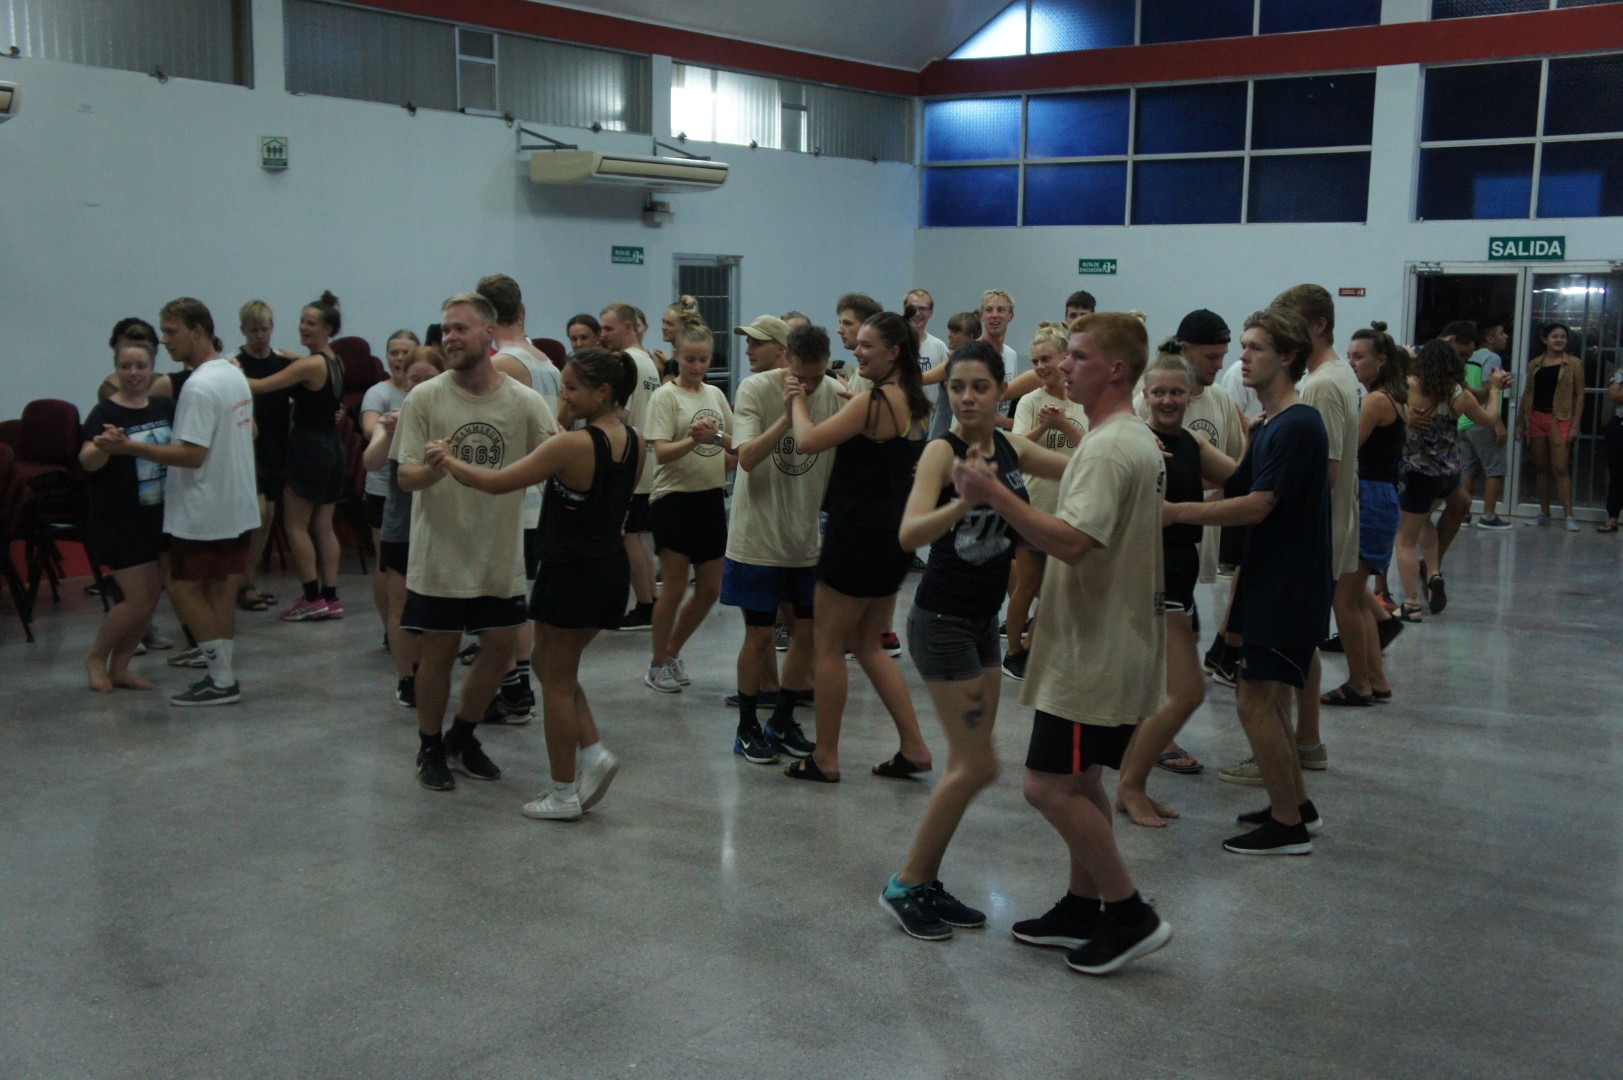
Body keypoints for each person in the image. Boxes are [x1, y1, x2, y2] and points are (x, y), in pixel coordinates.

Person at [953, 312, 1172, 975]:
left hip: (1092, 650)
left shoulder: (1108, 448)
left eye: (1078, 356)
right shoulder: (1122, 438)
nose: (1063, 366)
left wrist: (993, 494)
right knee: (1079, 780)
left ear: (1116, 369)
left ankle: (1129, 913)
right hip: (1106, 641)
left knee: (1045, 786)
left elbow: (1073, 543)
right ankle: (1082, 906)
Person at [880, 341, 1069, 940]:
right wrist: (966, 499)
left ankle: (925, 880)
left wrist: (1129, 448)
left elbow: (1078, 466)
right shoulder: (943, 451)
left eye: (979, 387)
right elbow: (910, 533)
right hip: (941, 624)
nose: (966, 398)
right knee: (976, 764)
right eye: (956, 387)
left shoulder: (1011, 447)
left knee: (974, 763)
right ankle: (905, 884)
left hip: (984, 623)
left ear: (1000, 391)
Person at [432, 348, 637, 820]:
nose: (562, 397)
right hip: (610, 571)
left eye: (572, 388)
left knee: (556, 683)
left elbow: (497, 482)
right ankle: (593, 752)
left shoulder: (571, 446)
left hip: (571, 575)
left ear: (602, 392)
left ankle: (563, 794)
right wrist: (565, 426)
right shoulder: (633, 438)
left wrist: (450, 460)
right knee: (550, 665)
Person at [1163, 307, 1331, 856]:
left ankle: (1287, 827)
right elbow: (1236, 481)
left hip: (1287, 584)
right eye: (1244, 346)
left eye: (1256, 347)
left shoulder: (1298, 424)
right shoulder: (1274, 424)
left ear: (1287, 356)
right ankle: (1296, 805)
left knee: (1254, 702)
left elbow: (1257, 504)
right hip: (1271, 580)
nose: (1243, 357)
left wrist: (1176, 512)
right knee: (1268, 699)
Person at [392, 292, 556, 792]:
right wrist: (434, 469)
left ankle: (461, 737)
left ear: (488, 333)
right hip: (440, 555)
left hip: (497, 553)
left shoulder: (522, 400)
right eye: (445, 329)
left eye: (460, 328)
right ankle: (428, 745)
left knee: (501, 649)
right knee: (438, 653)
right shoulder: (425, 397)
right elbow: (405, 477)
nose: (450, 338)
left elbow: (555, 455)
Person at [782, 311, 932, 782]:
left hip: (857, 535)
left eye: (867, 345)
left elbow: (808, 440)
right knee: (868, 644)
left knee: (828, 644)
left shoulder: (874, 401)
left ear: (894, 352)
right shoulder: (915, 401)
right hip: (893, 536)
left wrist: (796, 399)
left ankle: (825, 756)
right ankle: (915, 746)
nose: (857, 351)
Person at [96, 298, 258, 707]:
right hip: (234, 504)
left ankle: (221, 680)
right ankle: (222, 673)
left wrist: (131, 447)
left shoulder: (199, 386)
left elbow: (191, 454)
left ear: (198, 331)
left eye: (171, 332)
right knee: (218, 590)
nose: (164, 340)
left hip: (204, 508)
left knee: (183, 588)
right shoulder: (233, 374)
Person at [1115, 346, 1240, 828]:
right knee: (1186, 691)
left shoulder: (1190, 443)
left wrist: (1268, 437)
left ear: (1191, 396)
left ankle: (1132, 785)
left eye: (1177, 392)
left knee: (1160, 690)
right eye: (1159, 392)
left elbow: (1242, 479)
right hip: (1152, 573)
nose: (1168, 400)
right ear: (1145, 395)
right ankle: (1130, 786)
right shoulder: (1137, 439)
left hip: (1180, 573)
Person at [721, 318, 836, 763]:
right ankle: (747, 726)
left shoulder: (835, 391)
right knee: (759, 635)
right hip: (758, 538)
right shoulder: (756, 389)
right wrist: (788, 416)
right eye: (801, 377)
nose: (809, 385)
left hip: (803, 540)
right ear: (788, 362)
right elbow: (746, 458)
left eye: (817, 377)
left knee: (807, 632)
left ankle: (783, 719)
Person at [481, 273, 564, 725]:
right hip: (540, 495)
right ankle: (517, 685)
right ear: (522, 311)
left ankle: (514, 689)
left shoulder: (505, 365)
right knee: (515, 596)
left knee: (504, 598)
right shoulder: (545, 360)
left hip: (517, 497)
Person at [242, 291, 348, 622]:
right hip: (334, 447)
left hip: (309, 448)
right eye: (302, 321)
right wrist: (291, 357)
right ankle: (330, 597)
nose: (303, 327)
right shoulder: (334, 360)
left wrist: (226, 370)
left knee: (296, 525)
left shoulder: (308, 365)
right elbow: (304, 368)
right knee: (323, 524)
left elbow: (260, 385)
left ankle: (311, 598)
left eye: (311, 323)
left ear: (328, 328)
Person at [79, 340, 175, 692]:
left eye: (140, 366)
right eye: (125, 366)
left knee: (149, 601)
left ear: (152, 369)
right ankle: (95, 657)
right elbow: (87, 461)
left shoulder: (164, 407)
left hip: (159, 518)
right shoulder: (104, 412)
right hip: (120, 520)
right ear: (116, 370)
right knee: (135, 600)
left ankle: (120, 667)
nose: (133, 373)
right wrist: (103, 447)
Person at [643, 325, 734, 692]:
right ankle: (656, 664)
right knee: (675, 586)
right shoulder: (665, 397)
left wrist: (724, 447)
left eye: (704, 359)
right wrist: (693, 440)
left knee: (711, 587)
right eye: (691, 359)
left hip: (710, 497)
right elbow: (662, 452)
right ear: (677, 356)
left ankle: (672, 651)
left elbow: (732, 447)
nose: (697, 366)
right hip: (674, 500)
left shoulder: (715, 394)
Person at [1322, 322, 1408, 706]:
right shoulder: (1393, 397)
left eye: (1359, 357)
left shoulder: (1374, 401)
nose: (1352, 363)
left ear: (1381, 361)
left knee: (1344, 597)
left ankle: (1359, 683)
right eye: (1350, 356)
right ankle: (1375, 679)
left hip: (1370, 496)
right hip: (1381, 494)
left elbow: (1347, 447)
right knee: (1355, 597)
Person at [1394, 339, 1507, 621]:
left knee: (1404, 540)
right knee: (1425, 521)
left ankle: (1411, 604)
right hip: (1447, 474)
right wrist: (1495, 390)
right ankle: (1433, 573)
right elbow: (1489, 418)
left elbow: (1385, 399)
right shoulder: (1460, 395)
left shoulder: (1409, 387)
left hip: (1417, 473)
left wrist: (1406, 356)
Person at [1004, 322, 1087, 681]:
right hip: (1035, 504)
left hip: (1073, 510)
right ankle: (1013, 652)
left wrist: (1063, 424)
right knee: (1028, 584)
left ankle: (1036, 647)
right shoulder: (1029, 401)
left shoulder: (1083, 399)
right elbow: (1016, 447)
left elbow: (1094, 447)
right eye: (1035, 361)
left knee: (1059, 590)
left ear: (1065, 358)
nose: (1040, 366)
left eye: (1046, 359)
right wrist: (1045, 426)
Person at [362, 345, 444, 708]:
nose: (421, 385)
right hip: (401, 525)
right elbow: (370, 461)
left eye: (430, 378)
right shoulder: (395, 417)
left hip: (441, 525)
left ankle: (428, 670)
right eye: (415, 379)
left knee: (435, 607)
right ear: (403, 380)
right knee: (401, 603)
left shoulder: (450, 416)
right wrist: (387, 431)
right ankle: (406, 677)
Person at [234, 300, 300, 613]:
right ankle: (242, 582)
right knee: (257, 513)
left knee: (269, 515)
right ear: (243, 331)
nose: (259, 335)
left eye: (264, 329)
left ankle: (250, 580)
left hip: (277, 444)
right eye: (253, 330)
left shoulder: (282, 362)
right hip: (249, 447)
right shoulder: (235, 365)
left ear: (271, 328)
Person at [600, 301, 663, 629]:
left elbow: (621, 413)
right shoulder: (648, 360)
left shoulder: (625, 362)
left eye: (608, 328)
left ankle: (645, 604)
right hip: (646, 459)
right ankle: (650, 599)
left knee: (629, 536)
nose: (602, 335)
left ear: (628, 328)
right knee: (636, 536)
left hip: (632, 461)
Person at [359, 330, 419, 631]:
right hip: (383, 490)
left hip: (417, 489)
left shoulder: (428, 392)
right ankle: (390, 629)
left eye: (406, 352)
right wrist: (390, 426)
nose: (399, 358)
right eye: (394, 352)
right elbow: (371, 430)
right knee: (386, 565)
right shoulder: (378, 393)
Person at [1517, 322, 1585, 530]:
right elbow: (1528, 392)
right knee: (1541, 468)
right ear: (1544, 339)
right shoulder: (1535, 363)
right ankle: (1544, 513)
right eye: (1555, 336)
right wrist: (1520, 422)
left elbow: (1580, 395)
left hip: (1560, 419)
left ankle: (1569, 516)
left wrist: (1575, 425)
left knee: (1561, 468)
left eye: (1563, 337)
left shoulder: (1573, 363)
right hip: (1536, 417)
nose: (1559, 340)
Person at [1459, 319, 1514, 531]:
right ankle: (1488, 516)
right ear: (1489, 338)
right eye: (1501, 332)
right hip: (1483, 420)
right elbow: (1489, 390)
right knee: (1495, 468)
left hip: (1464, 420)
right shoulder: (1492, 358)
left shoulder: (1468, 356)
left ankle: (1463, 514)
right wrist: (1498, 424)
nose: (1506, 336)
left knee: (1467, 469)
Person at [1602, 363, 1623, 533]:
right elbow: (1613, 393)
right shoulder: (1621, 371)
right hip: (1620, 425)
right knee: (1617, 473)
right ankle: (1612, 517)